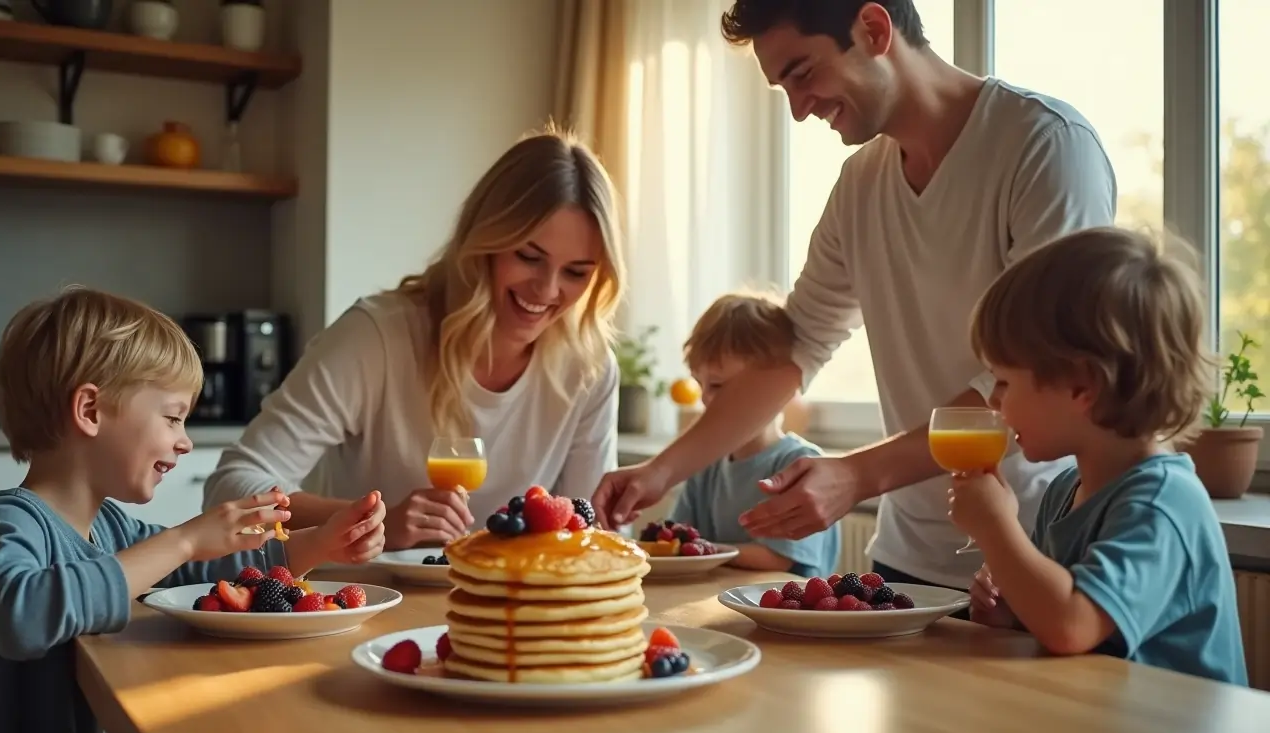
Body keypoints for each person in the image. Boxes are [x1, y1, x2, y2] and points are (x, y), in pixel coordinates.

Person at [593, 0, 1117, 591]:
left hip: (1038, 553)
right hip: (906, 555)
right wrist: (660, 472)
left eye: (802, 73)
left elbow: (1033, 373)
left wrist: (857, 475)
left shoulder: (1045, 146)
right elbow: (794, 352)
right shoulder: (860, 185)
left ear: (873, 29)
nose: (796, 111)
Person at [0, 287, 388, 733]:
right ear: (90, 411)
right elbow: (23, 617)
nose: (185, 442)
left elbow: (192, 569)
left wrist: (319, 542)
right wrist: (185, 538)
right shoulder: (7, 525)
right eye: (173, 418)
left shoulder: (107, 527)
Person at [203, 125, 626, 552]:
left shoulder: (588, 367)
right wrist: (370, 522)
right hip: (361, 606)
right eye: (529, 257)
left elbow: (588, 535)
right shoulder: (376, 337)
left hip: (505, 608)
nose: (547, 290)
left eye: (576, 272)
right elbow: (231, 486)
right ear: (485, 242)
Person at [952, 227, 1246, 685]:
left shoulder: (1162, 504)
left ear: (1083, 386)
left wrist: (995, 526)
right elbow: (1061, 626)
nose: (994, 403)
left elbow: (1072, 626)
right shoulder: (1065, 491)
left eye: (1004, 382)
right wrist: (1011, 611)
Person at [662, 293, 840, 577]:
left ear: (776, 386)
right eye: (700, 385)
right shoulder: (705, 464)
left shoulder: (800, 464)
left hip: (788, 614)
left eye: (719, 386)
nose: (707, 400)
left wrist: (703, 549)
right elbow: (674, 538)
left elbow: (777, 558)